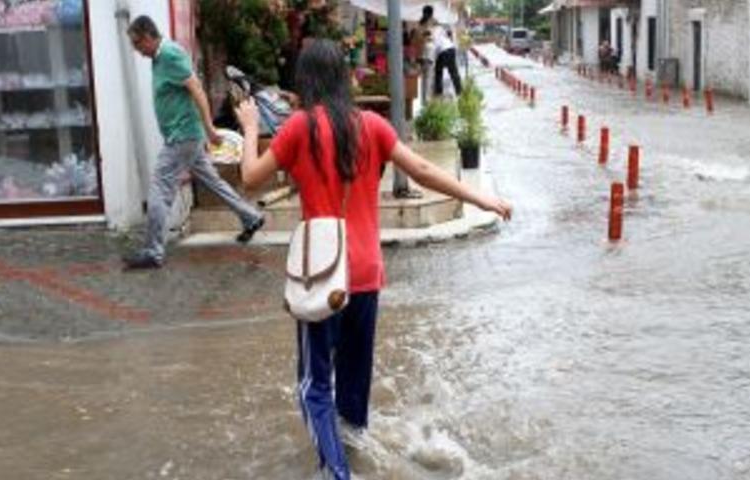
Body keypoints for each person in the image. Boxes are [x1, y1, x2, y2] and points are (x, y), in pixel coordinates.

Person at [236, 40, 512, 480]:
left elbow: (250, 180)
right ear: (343, 78)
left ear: (304, 81)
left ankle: (338, 472)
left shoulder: (298, 129)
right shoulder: (371, 125)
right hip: (365, 275)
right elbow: (422, 170)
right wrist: (482, 197)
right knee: (353, 382)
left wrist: (250, 125)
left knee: (313, 386)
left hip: (324, 276)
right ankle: (356, 454)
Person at [123, 16, 264, 270]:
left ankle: (153, 252)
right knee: (212, 180)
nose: (136, 50)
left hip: (182, 136)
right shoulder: (160, 57)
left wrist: (209, 127)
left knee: (159, 189)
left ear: (146, 37)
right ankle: (250, 216)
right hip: (185, 135)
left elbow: (196, 88)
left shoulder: (169, 55)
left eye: (136, 44)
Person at [420, 5, 461, 96]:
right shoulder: (436, 22)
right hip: (451, 48)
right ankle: (459, 92)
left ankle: (438, 93)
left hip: (443, 50)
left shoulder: (429, 23)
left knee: (438, 71)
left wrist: (425, 35)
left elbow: (429, 38)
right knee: (453, 71)